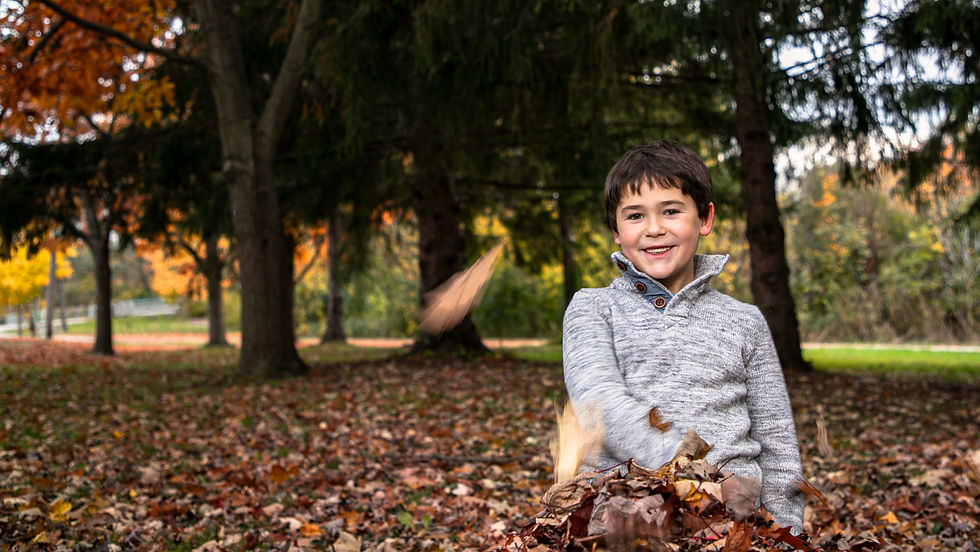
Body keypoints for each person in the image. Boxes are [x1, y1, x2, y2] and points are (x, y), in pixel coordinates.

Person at [562, 139, 804, 532]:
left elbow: (777, 442)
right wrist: (696, 476)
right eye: (635, 215)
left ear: (704, 218)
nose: (654, 228)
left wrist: (786, 531)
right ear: (616, 231)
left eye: (671, 211)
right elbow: (598, 404)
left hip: (734, 524)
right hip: (624, 520)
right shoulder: (593, 308)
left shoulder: (745, 321)